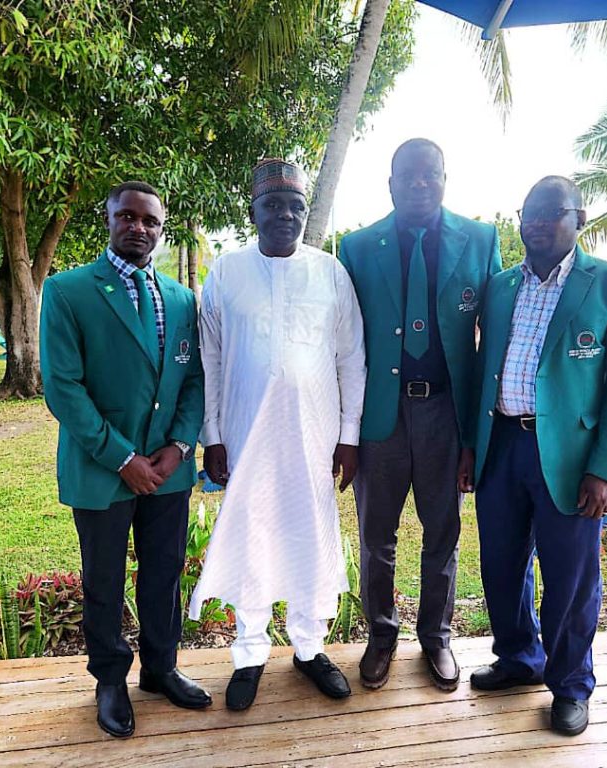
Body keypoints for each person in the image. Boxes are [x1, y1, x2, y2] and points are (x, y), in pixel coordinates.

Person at [467, 176, 607, 736]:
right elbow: (481, 371)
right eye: (529, 213)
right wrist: (472, 448)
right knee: (500, 564)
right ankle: (520, 658)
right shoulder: (498, 287)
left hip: (571, 459)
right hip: (502, 445)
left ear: (580, 218)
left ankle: (570, 685)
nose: (537, 223)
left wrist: (605, 469)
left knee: (570, 576)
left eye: (551, 212)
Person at [189, 158, 366, 711]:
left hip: (315, 435)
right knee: (252, 533)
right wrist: (212, 434)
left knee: (312, 532)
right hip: (244, 434)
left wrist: (350, 435)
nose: (285, 215)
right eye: (273, 205)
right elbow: (209, 358)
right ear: (254, 212)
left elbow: (351, 356)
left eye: (296, 206)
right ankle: (248, 654)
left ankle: (310, 649)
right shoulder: (226, 272)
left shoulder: (330, 272)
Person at [40, 181, 209, 739]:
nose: (139, 228)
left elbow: (194, 379)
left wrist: (179, 446)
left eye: (150, 221)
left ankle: (161, 669)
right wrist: (122, 458)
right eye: (127, 217)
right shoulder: (68, 292)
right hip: (102, 469)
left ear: (162, 228)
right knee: (104, 580)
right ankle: (109, 679)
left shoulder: (183, 299)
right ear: (109, 220)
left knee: (164, 574)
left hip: (169, 470)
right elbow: (63, 387)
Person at [337, 138, 502, 692]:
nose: (418, 184)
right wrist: (345, 432)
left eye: (429, 175)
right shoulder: (357, 247)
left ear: (445, 178)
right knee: (375, 535)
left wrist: (475, 438)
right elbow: (343, 341)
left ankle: (437, 637)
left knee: (443, 533)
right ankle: (381, 636)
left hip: (444, 415)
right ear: (390, 183)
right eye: (407, 176)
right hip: (379, 416)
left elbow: (491, 345)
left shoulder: (480, 241)